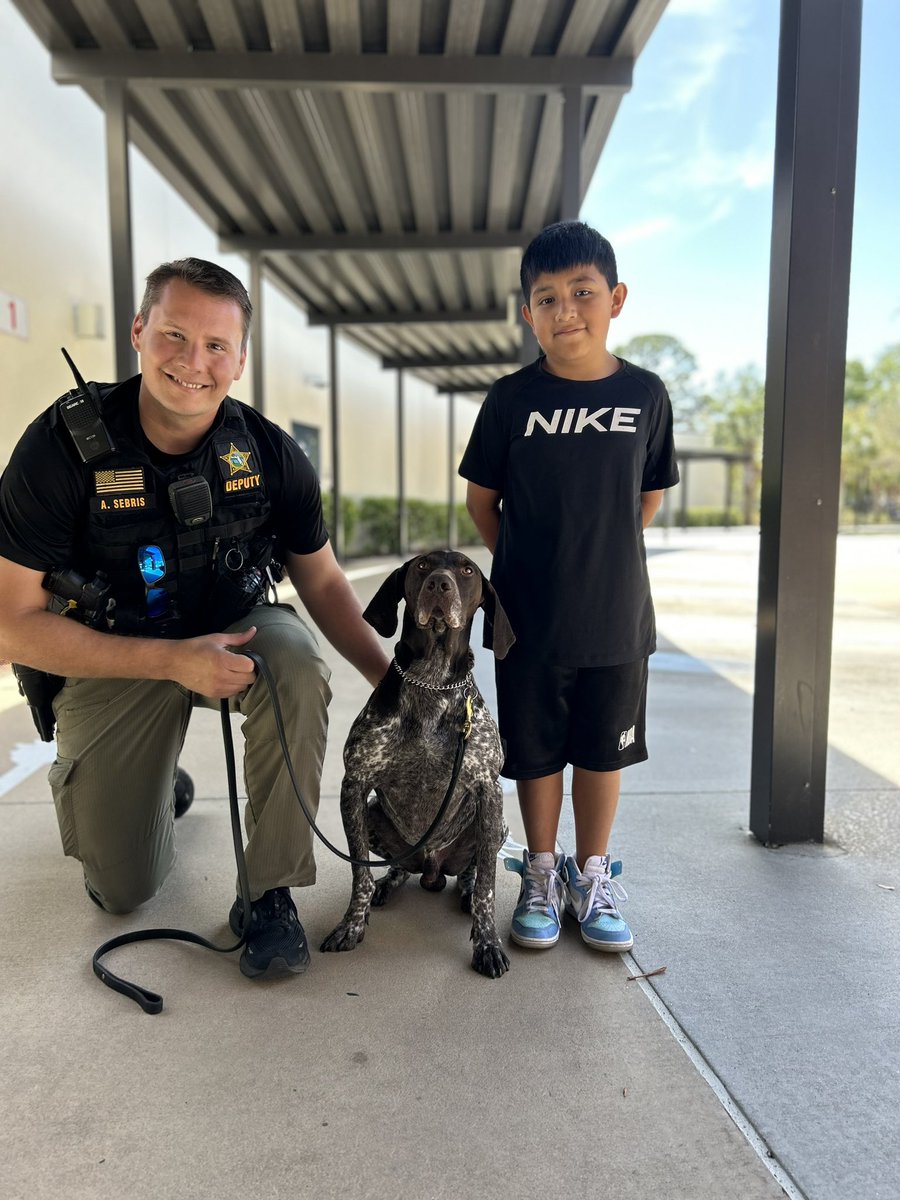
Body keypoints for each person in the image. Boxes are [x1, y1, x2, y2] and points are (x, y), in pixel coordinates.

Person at [0, 257, 389, 981]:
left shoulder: (269, 452)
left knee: (296, 664)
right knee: (121, 894)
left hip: (233, 630)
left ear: (240, 359)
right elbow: (11, 625)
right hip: (114, 652)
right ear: (139, 332)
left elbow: (324, 580)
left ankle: (269, 893)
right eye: (175, 336)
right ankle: (151, 783)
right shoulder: (60, 448)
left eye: (216, 346)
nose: (193, 362)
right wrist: (169, 661)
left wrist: (392, 681)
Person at [459, 221, 679, 954]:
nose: (566, 311)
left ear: (615, 299)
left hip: (617, 617)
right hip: (529, 619)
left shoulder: (645, 394)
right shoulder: (510, 399)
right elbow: (482, 503)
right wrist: (525, 563)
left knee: (603, 751)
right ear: (528, 314)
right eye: (546, 299)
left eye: (582, 293)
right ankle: (543, 872)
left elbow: (645, 500)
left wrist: (602, 554)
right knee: (536, 752)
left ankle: (592, 874)